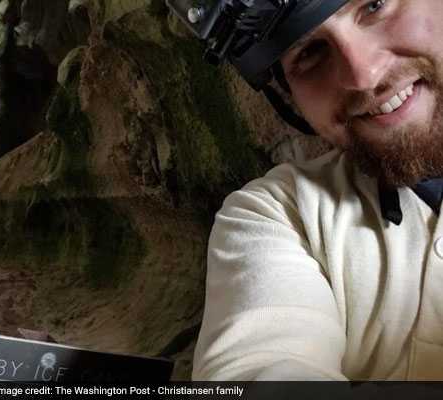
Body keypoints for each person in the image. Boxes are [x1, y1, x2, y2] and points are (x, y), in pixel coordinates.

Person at [167, 0, 443, 380]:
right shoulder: (280, 216)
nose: (363, 75)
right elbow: (257, 370)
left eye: (375, 5)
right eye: (310, 52)